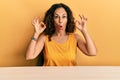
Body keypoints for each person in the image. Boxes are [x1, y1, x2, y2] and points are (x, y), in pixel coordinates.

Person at [26, 3, 97, 66]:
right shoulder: (44, 38)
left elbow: (92, 52)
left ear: (68, 19)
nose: (60, 21)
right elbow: (29, 56)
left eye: (64, 17)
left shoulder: (75, 38)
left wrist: (84, 31)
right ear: (52, 19)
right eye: (56, 17)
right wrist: (36, 33)